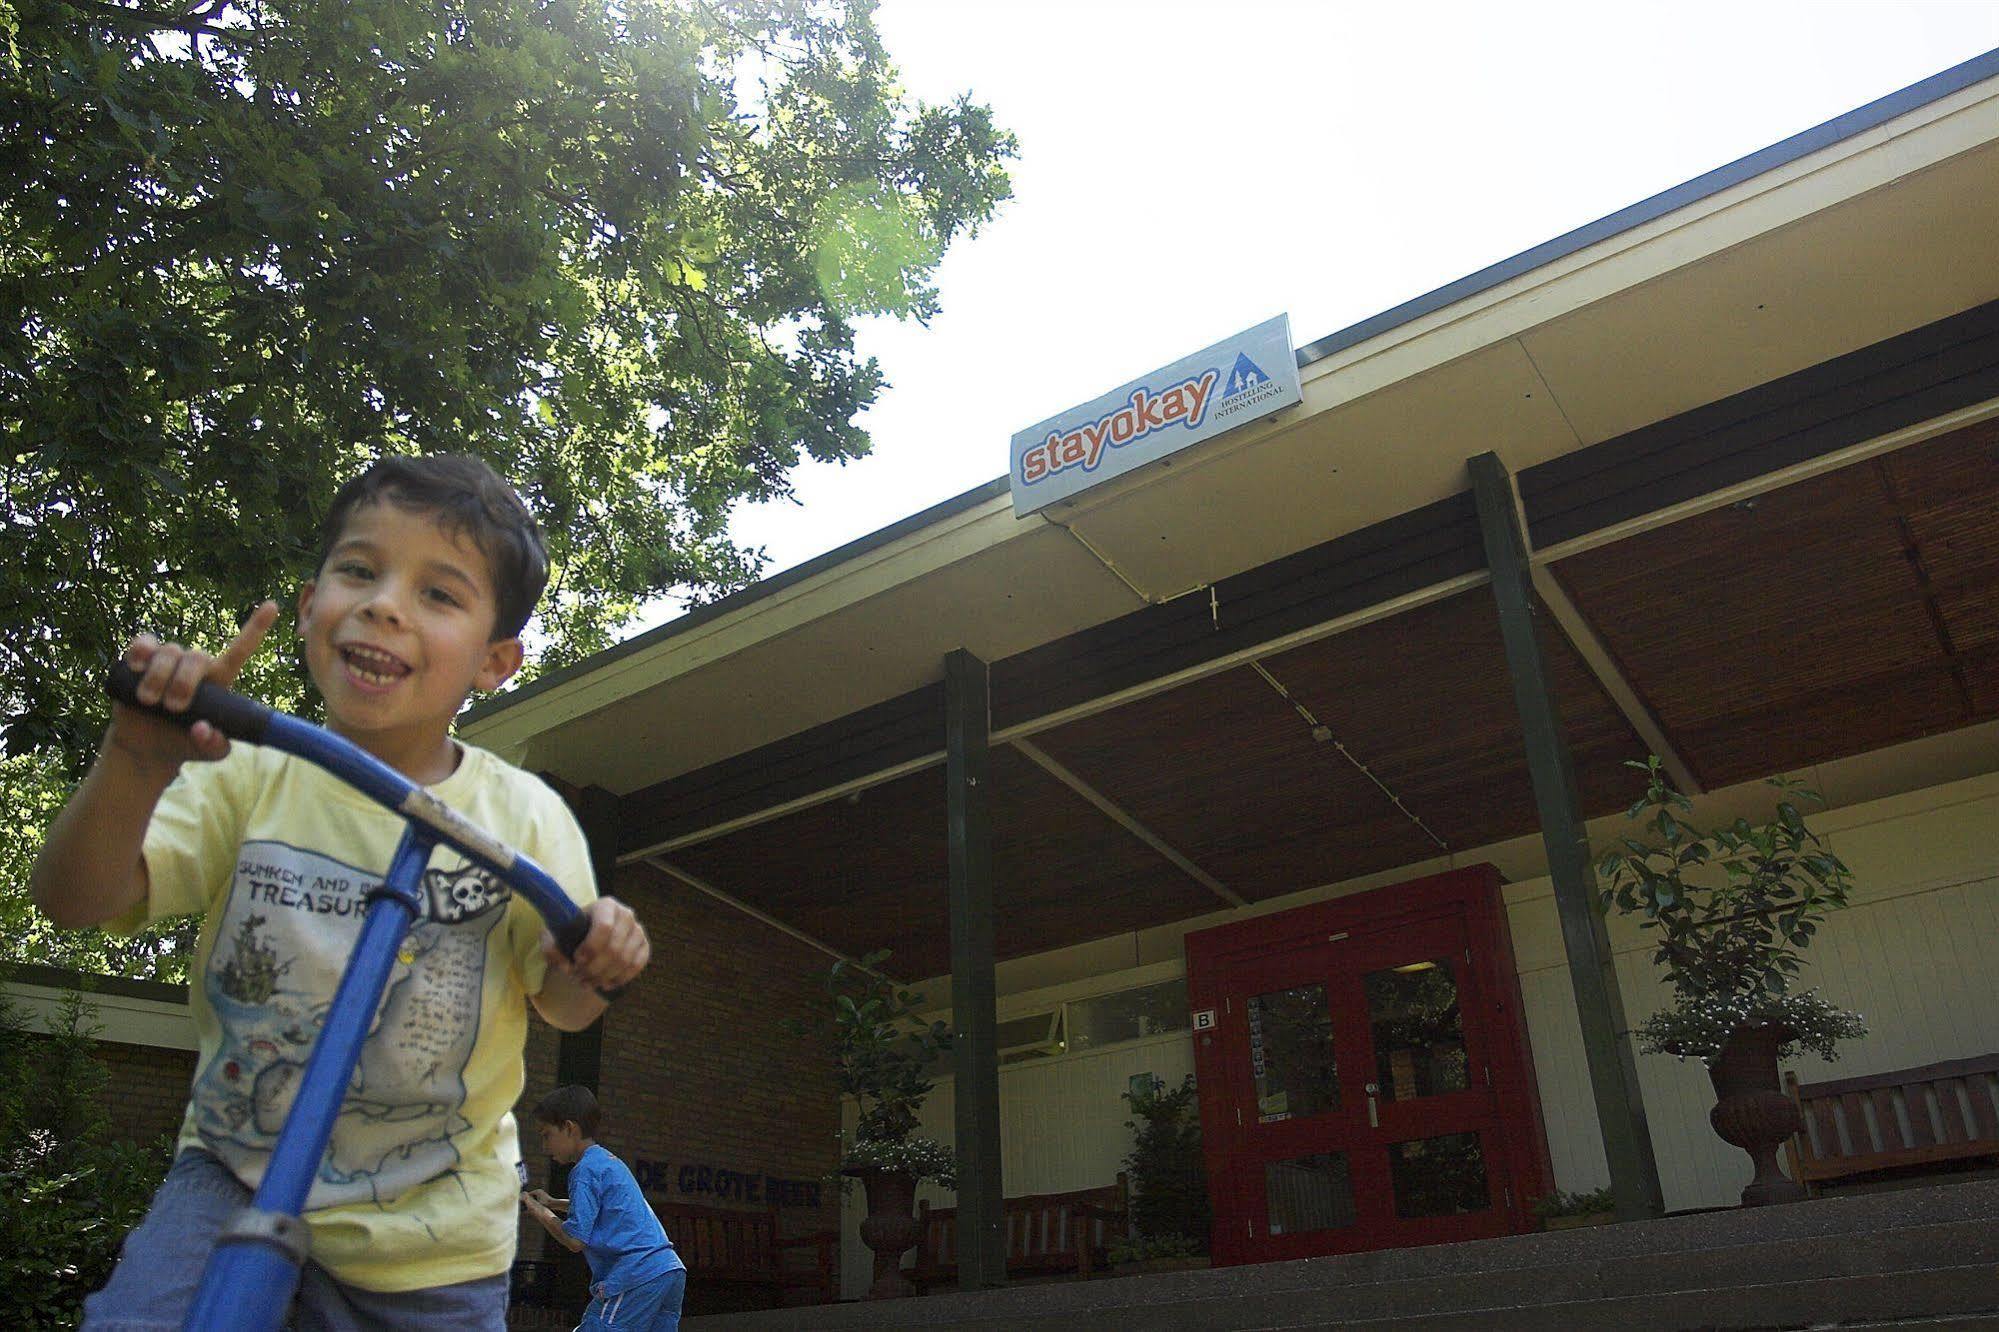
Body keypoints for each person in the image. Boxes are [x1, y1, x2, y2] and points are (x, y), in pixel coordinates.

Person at [30, 454, 652, 1331]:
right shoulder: (245, 773)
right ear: (314, 602)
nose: (384, 603)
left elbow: (565, 1004)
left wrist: (595, 958)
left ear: (495, 659)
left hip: (434, 1225)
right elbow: (72, 901)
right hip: (234, 1172)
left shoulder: (525, 815)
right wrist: (136, 757)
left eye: (439, 594)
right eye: (358, 570)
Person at [522, 1085, 686, 1332]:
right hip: (668, 1271)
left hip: (636, 1274)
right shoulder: (608, 1161)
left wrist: (537, 1211)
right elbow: (608, 1209)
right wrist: (553, 1203)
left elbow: (575, 1240)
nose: (545, 1147)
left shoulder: (584, 1171)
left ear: (569, 1128)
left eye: (547, 1135)